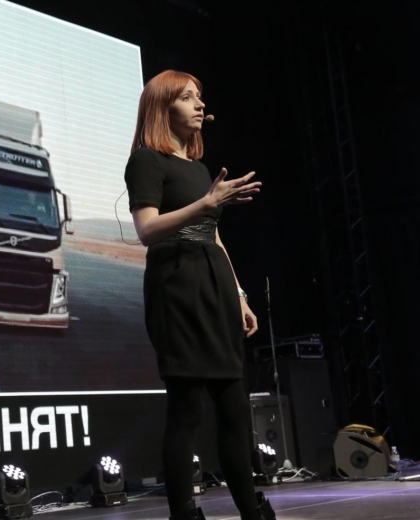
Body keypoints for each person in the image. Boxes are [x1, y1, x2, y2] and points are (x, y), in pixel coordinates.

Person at [123, 70, 277, 520]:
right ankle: (184, 513)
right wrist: (205, 205)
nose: (200, 105)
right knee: (187, 409)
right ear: (162, 106)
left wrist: (240, 295)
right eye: (188, 98)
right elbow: (147, 230)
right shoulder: (146, 161)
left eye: (199, 98)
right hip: (176, 287)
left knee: (235, 409)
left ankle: (251, 510)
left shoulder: (199, 169)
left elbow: (214, 236)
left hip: (214, 285)